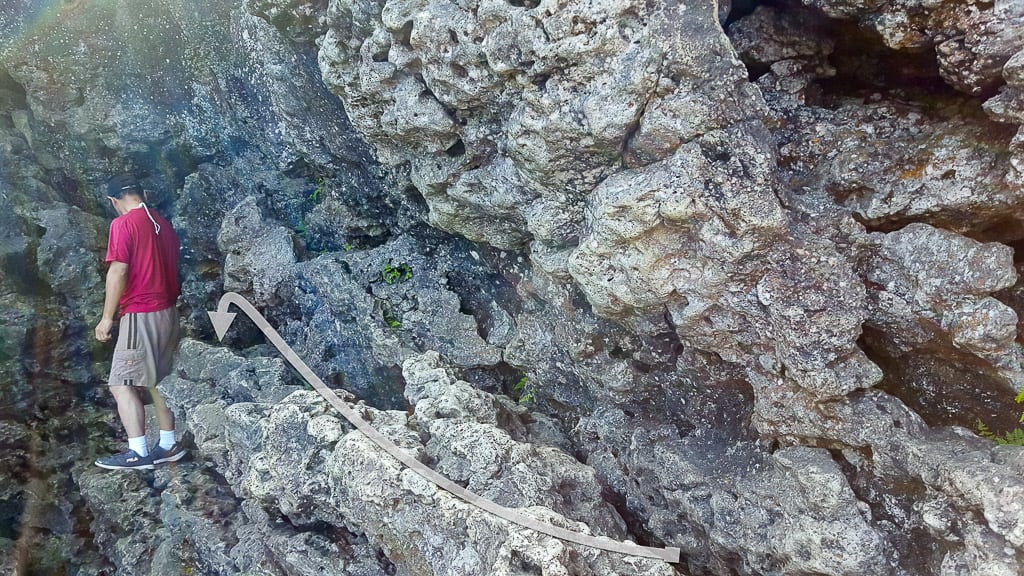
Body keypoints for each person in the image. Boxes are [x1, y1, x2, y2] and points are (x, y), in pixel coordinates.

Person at [93, 174, 185, 470]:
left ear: (114, 201)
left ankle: (138, 452)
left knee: (121, 383)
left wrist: (107, 318)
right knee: (158, 381)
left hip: (141, 313)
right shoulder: (163, 225)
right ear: (141, 192)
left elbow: (118, 271)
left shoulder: (123, 224)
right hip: (169, 313)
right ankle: (169, 444)